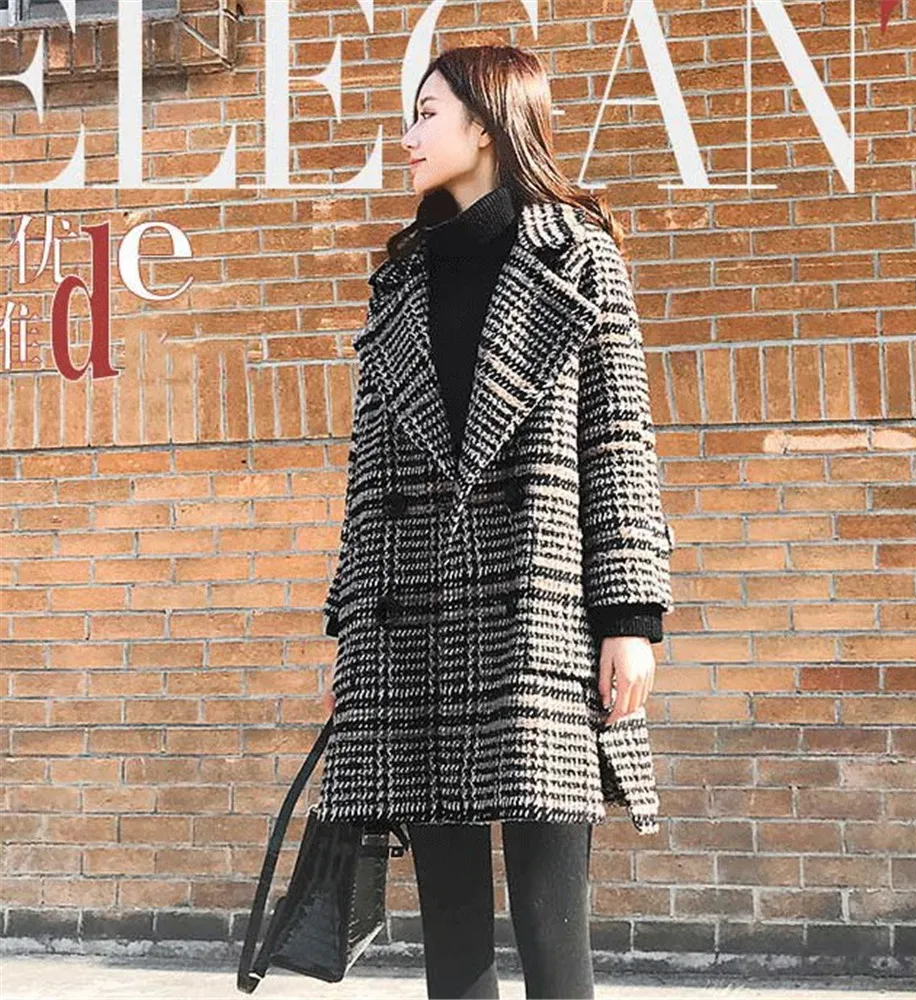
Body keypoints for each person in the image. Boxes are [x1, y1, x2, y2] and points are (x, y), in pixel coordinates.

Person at [319, 44, 675, 1000]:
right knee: (451, 940)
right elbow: (366, 483)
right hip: (414, 628)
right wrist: (351, 639)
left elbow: (619, 442)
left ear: (485, 122)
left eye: (426, 112)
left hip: (540, 613)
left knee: (554, 935)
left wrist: (630, 620)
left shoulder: (579, 256)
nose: (408, 134)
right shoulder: (400, 281)